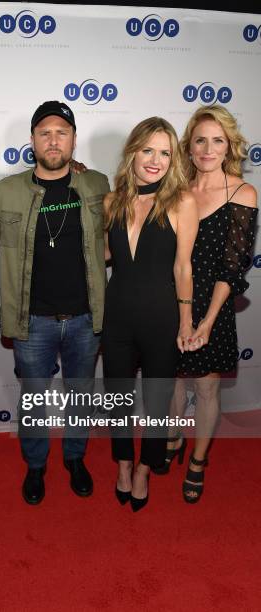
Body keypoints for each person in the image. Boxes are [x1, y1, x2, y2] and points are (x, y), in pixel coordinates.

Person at [0, 100, 110, 504]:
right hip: (31, 320)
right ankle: (36, 466)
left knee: (81, 395)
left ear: (74, 140)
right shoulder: (6, 191)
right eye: (45, 133)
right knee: (34, 399)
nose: (53, 141)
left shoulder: (97, 185)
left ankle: (74, 458)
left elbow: (120, 238)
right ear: (32, 140)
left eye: (62, 132)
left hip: (85, 318)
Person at [156, 105, 258, 503]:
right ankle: (174, 432)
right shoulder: (175, 190)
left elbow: (233, 268)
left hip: (213, 306)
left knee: (207, 385)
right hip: (171, 301)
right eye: (200, 140)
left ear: (228, 145)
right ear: (189, 146)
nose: (208, 148)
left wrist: (208, 321)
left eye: (217, 140)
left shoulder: (242, 192)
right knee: (174, 380)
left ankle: (198, 460)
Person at [102, 117, 198, 511]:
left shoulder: (181, 201)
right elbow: (107, 256)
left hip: (162, 317)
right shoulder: (113, 200)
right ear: (133, 151)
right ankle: (124, 464)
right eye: (148, 150)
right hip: (117, 314)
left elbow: (183, 267)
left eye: (165, 152)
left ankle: (145, 468)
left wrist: (187, 320)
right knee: (118, 398)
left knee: (157, 401)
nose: (155, 160)